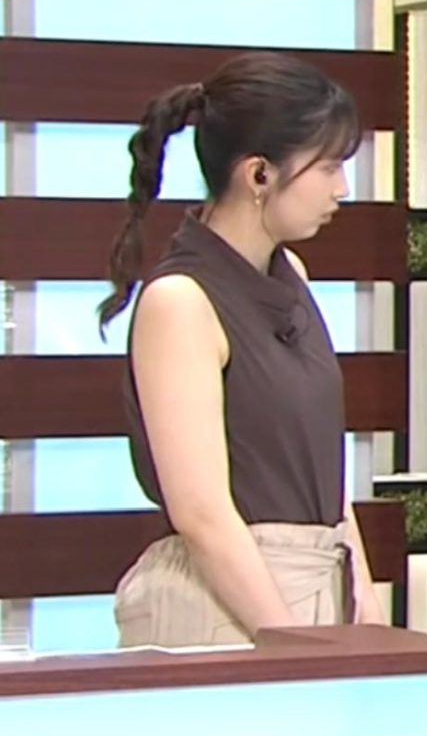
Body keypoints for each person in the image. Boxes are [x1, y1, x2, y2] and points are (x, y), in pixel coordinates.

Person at [99, 50, 385, 648]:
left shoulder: (292, 275)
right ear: (259, 175)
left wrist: (364, 596)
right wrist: (292, 644)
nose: (341, 188)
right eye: (328, 167)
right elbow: (202, 513)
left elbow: (319, 459)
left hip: (320, 585)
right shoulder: (180, 301)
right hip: (232, 607)